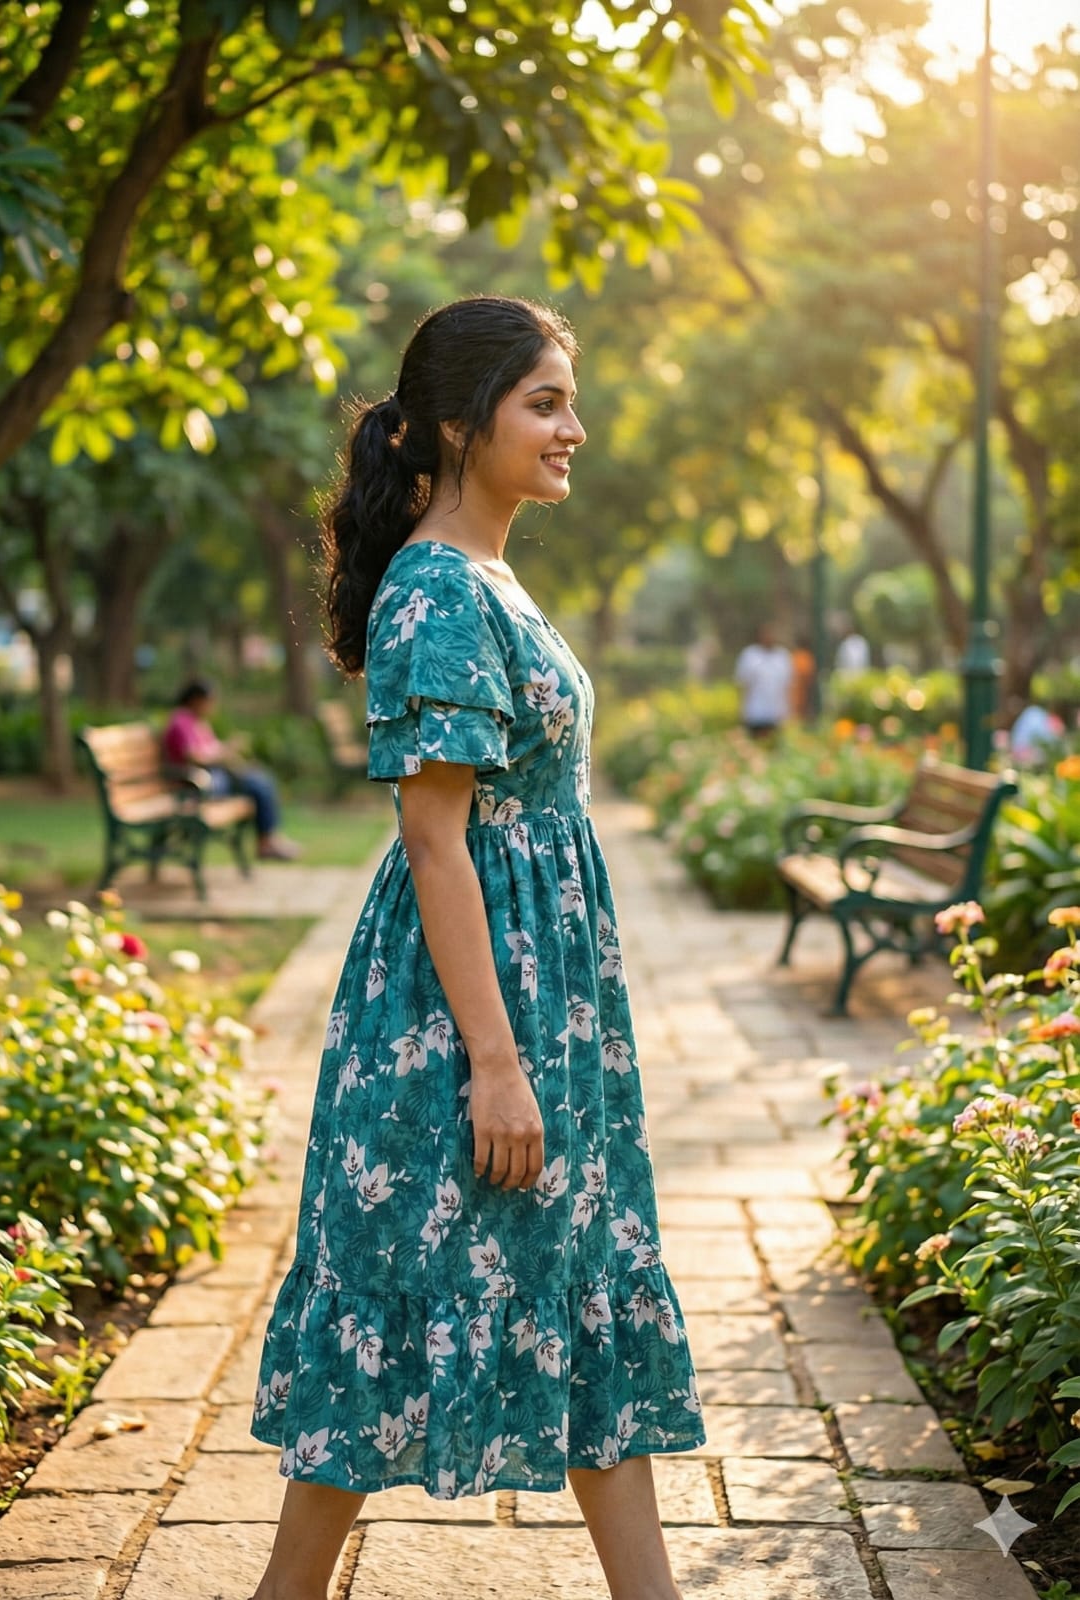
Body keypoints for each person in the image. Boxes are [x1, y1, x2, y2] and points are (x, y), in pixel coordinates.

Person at [249, 297, 705, 1600]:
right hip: (468, 1017)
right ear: (457, 426)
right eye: (543, 402)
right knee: (402, 1300)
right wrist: (496, 1066)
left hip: (544, 1000)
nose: (574, 427)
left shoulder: (489, 575)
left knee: (573, 1283)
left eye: (568, 399)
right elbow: (437, 842)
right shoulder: (438, 591)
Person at [161, 680, 302, 861]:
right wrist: (225, 753)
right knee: (258, 783)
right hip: (195, 785)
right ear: (196, 700)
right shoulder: (182, 720)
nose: (213, 706)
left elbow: (212, 748)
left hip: (211, 779)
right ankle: (267, 842)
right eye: (210, 701)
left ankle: (270, 839)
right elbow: (194, 756)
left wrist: (228, 749)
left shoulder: (197, 722)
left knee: (261, 779)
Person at [733, 622, 792, 740]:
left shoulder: (783, 656)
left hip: (776, 713)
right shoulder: (749, 656)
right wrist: (740, 711)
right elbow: (742, 684)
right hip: (755, 713)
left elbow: (788, 686)